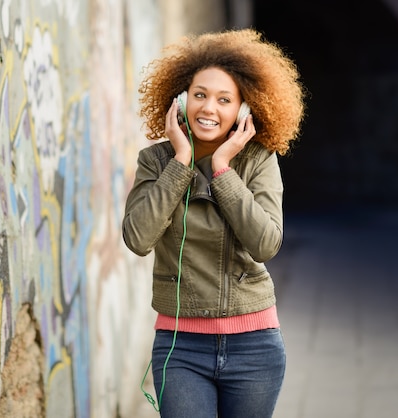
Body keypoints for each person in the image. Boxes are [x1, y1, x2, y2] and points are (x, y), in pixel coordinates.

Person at [122, 28, 306, 418]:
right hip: (180, 346)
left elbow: (266, 243)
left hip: (254, 346)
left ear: (243, 109)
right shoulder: (156, 162)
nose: (209, 108)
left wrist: (223, 169)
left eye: (225, 100)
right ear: (181, 98)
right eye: (200, 95)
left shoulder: (258, 160)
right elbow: (138, 238)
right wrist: (181, 161)